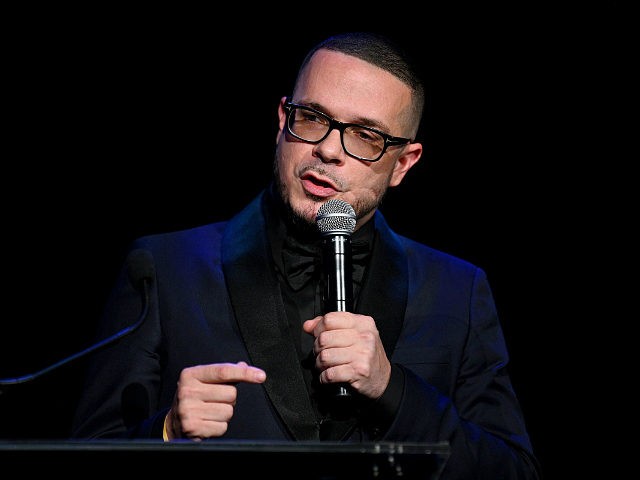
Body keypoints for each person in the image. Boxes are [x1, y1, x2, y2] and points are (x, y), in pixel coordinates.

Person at [71, 31, 542, 478]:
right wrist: (165, 433)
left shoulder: (458, 292)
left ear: (403, 163)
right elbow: (84, 457)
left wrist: (392, 389)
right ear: (282, 120)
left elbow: (514, 470)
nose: (328, 149)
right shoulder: (163, 269)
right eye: (313, 117)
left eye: (365, 135)